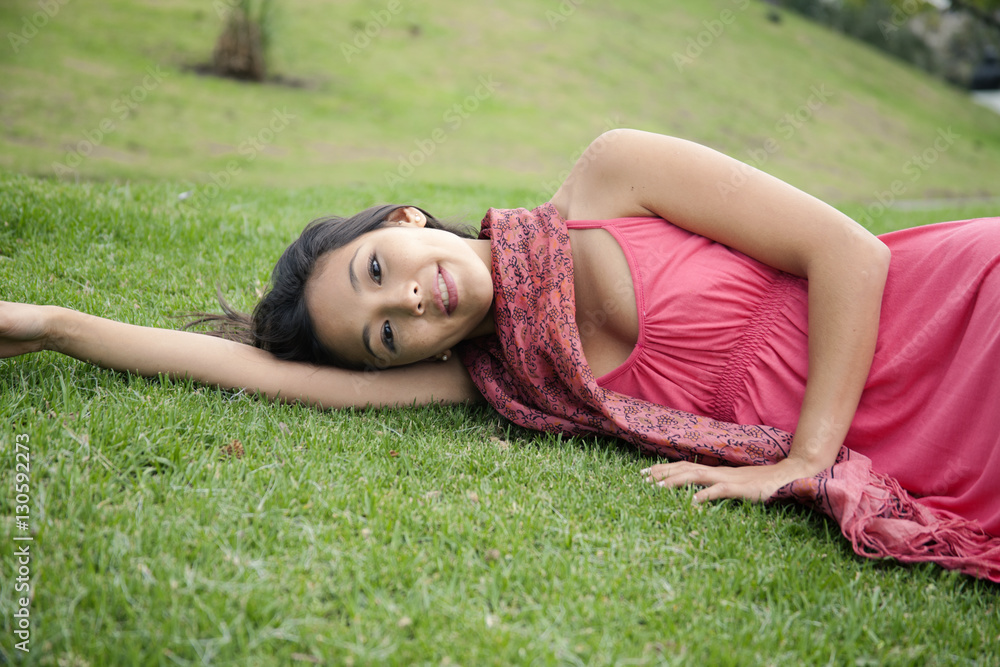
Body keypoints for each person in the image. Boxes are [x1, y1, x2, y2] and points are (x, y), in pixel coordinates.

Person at [2, 129, 998, 579]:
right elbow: (263, 373)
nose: (409, 296)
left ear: (402, 217)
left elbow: (849, 254)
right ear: (404, 362)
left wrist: (805, 460)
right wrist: (50, 321)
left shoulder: (614, 176)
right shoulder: (496, 382)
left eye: (381, 267)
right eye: (387, 330)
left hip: (950, 310)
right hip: (911, 436)